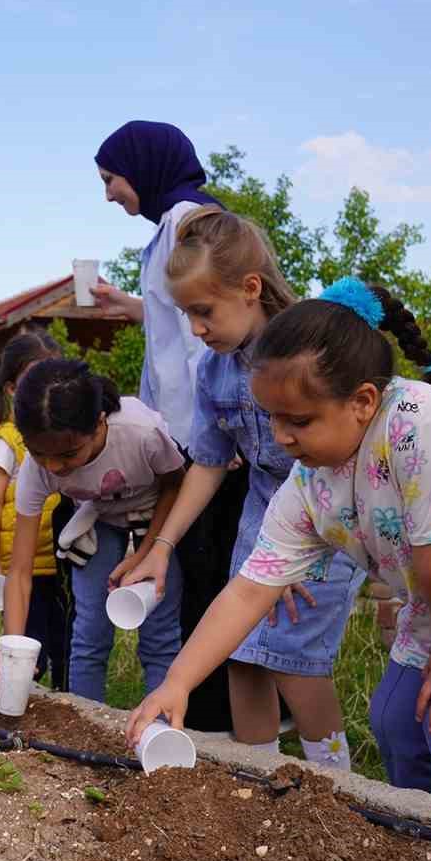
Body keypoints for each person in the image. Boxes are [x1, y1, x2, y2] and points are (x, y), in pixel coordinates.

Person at [126, 278, 431, 819]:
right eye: (272, 419)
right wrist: (178, 682)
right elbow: (247, 592)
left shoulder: (418, 424)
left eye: (299, 421)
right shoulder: (309, 484)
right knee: (395, 721)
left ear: (362, 402)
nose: (281, 437)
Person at [113, 208, 364, 770]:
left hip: (323, 515)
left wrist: (292, 562)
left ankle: (337, 781)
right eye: (187, 315)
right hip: (262, 513)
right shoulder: (214, 371)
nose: (197, 329)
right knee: (243, 652)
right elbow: (208, 461)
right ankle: (262, 773)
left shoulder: (310, 349)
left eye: (204, 312)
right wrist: (162, 548)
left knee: (294, 658)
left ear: (250, 289)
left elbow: (338, 455)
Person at [92, 120, 248, 732]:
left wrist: (219, 432)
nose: (109, 194)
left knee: (212, 581)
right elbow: (175, 322)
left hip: (208, 442)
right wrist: (130, 307)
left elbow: (202, 341)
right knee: (197, 574)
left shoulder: (191, 223)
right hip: (189, 435)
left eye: (111, 179)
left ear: (145, 166)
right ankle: (214, 716)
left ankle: (216, 723)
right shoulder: (167, 228)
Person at [0, 358, 186, 701]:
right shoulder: (39, 468)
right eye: (39, 454)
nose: (53, 467)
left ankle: (163, 724)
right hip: (99, 518)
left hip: (159, 517)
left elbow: (175, 485)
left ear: (98, 424)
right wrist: (13, 648)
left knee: (160, 632)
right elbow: (19, 572)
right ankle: (83, 726)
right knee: (89, 632)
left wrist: (148, 552)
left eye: (67, 455)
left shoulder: (140, 433)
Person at [0, 330, 72, 690]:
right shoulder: (9, 440)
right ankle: (19, 696)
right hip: (23, 565)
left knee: (65, 641)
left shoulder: (68, 434)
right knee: (30, 643)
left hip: (59, 560)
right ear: (12, 389)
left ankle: (65, 701)